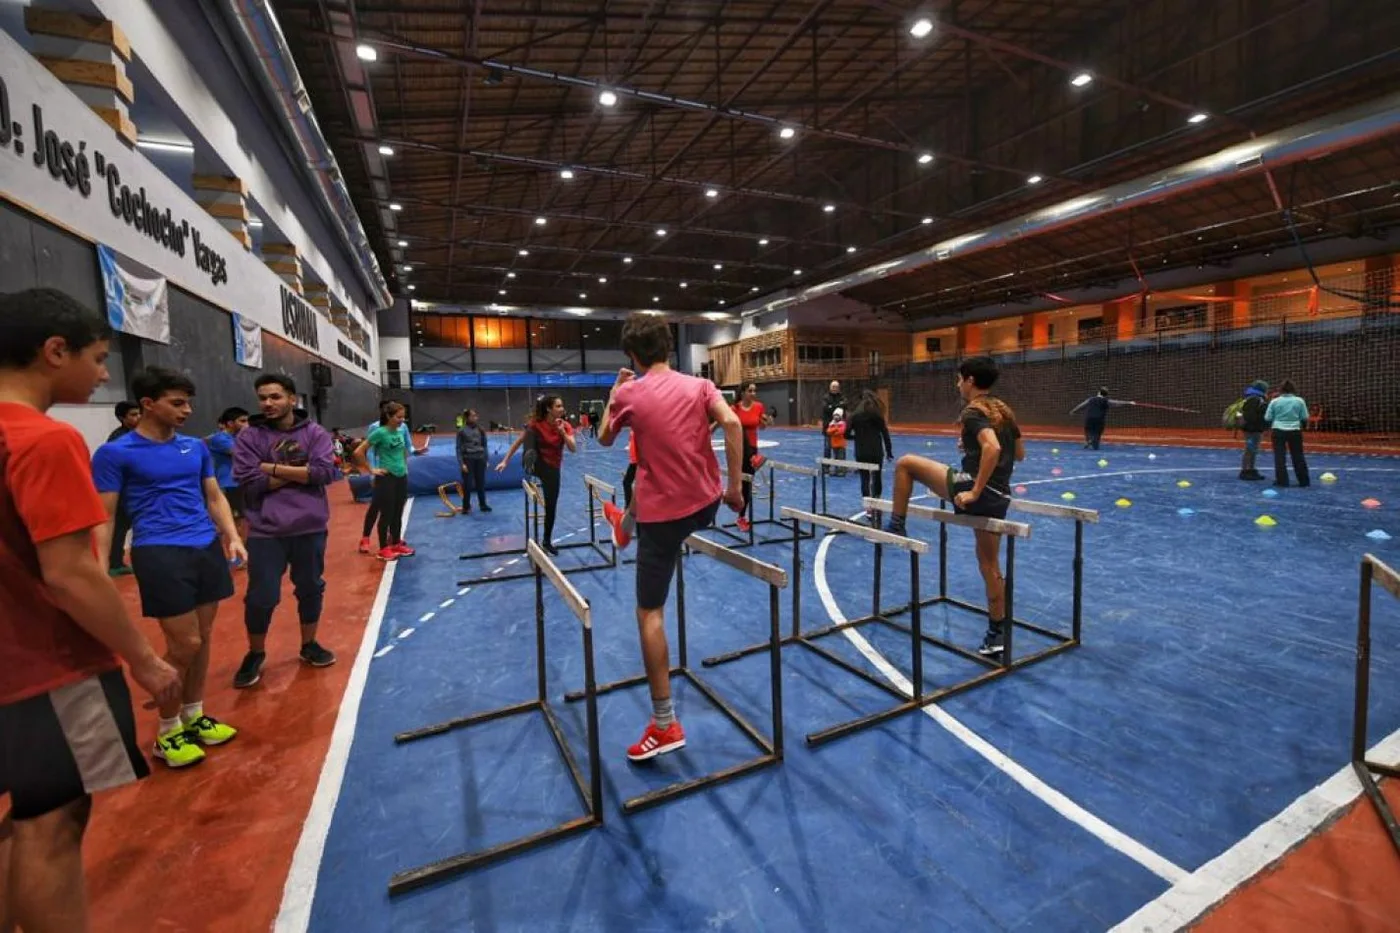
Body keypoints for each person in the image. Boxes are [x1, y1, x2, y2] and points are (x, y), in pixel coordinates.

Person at [0, 288, 180, 933]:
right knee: (52, 821)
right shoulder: (44, 441)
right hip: (45, 665)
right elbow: (73, 572)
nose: (106, 375)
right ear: (55, 352)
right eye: (99, 358)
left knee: (22, 819)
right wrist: (144, 659)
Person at [598, 313, 745, 762]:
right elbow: (734, 424)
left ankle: (664, 725)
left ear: (632, 356)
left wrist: (613, 393)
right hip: (705, 503)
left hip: (664, 521)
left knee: (649, 613)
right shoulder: (700, 386)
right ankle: (624, 527)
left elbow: (605, 438)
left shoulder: (628, 392)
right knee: (645, 479)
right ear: (669, 347)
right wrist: (735, 490)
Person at [91, 366, 244, 769]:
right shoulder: (115, 453)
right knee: (185, 644)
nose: (187, 410)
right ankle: (167, 730)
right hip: (159, 551)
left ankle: (193, 715)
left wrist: (232, 534)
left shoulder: (195, 448)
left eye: (188, 402)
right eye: (177, 403)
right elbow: (104, 516)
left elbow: (213, 497)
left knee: (205, 636)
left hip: (205, 547)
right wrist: (97, 567)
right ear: (147, 404)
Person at [885, 356, 1025, 658]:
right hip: (1000, 495)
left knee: (906, 463)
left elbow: (994, 447)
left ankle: (896, 525)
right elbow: (1019, 453)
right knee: (989, 565)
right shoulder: (1004, 410)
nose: (957, 384)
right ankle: (996, 633)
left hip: (975, 490)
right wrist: (973, 448)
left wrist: (974, 491)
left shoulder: (973, 411)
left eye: (959, 379)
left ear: (970, 380)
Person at [230, 374, 338, 689]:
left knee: (310, 587)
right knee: (261, 596)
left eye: (275, 397)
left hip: (309, 526)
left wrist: (271, 467)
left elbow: (324, 472)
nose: (268, 403)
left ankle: (308, 645)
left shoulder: (315, 433)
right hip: (266, 530)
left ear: (292, 399)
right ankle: (255, 652)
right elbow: (250, 481)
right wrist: (300, 473)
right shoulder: (249, 437)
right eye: (262, 397)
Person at [495, 395, 576, 555]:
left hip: (552, 468)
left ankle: (547, 541)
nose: (562, 409)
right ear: (549, 409)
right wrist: (505, 461)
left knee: (551, 507)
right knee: (531, 431)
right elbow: (518, 442)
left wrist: (563, 434)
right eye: (558, 406)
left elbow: (573, 448)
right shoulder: (536, 425)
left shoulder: (565, 425)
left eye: (562, 406)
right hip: (537, 463)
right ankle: (528, 460)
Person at [357, 401, 426, 554]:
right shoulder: (378, 430)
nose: (402, 420)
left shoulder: (401, 430)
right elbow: (363, 452)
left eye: (403, 417)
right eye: (398, 416)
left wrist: (410, 459)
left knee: (396, 511)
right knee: (382, 510)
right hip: (384, 476)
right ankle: (375, 543)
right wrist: (372, 470)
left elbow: (405, 448)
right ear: (387, 415)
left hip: (400, 475)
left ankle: (395, 542)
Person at [846, 390, 894, 525]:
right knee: (877, 477)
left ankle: (868, 508)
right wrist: (889, 451)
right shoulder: (877, 415)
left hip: (861, 451)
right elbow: (885, 433)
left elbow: (845, 434)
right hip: (876, 451)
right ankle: (876, 503)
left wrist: (857, 437)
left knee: (864, 478)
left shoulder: (854, 416)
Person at [206, 406, 250, 546]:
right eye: (242, 421)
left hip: (240, 483)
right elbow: (242, 455)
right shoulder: (220, 438)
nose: (246, 424)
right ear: (230, 423)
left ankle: (242, 549)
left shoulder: (236, 437)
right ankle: (238, 552)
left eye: (247, 421)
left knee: (243, 518)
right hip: (229, 484)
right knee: (234, 520)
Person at [105, 400, 140, 576]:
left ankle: (117, 561)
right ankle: (114, 563)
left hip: (133, 491)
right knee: (119, 528)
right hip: (122, 492)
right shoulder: (118, 439)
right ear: (122, 418)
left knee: (126, 527)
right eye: (133, 415)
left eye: (139, 413)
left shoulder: (138, 435)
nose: (138, 417)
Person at [731, 382, 771, 533]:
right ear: (743, 393)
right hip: (738, 449)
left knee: (747, 484)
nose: (754, 393)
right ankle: (739, 511)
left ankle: (741, 517)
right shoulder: (735, 408)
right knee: (742, 483)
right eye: (750, 390)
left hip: (753, 449)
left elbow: (762, 427)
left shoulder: (759, 407)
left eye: (755, 390)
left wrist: (766, 422)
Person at [1265, 379, 1310, 487]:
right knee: (1298, 455)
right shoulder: (1299, 401)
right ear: (1294, 389)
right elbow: (1305, 417)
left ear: (1280, 390)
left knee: (1279, 456)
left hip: (1278, 431)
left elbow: (1268, 417)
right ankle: (1304, 481)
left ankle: (1282, 481)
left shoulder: (1275, 401)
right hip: (1294, 430)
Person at [1070, 388, 1134, 450]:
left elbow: (1081, 406)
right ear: (1106, 395)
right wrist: (1128, 402)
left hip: (1089, 419)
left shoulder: (1090, 399)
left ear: (1099, 392)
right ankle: (1094, 444)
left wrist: (1073, 411)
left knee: (1088, 431)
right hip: (1099, 420)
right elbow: (1117, 403)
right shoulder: (1106, 401)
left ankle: (1088, 440)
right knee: (1097, 434)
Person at [455, 408, 492, 514]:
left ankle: (483, 505)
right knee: (467, 484)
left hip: (480, 459)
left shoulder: (481, 430)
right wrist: (462, 463)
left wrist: (486, 459)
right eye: (473, 416)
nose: (476, 417)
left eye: (476, 415)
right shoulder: (461, 431)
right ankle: (466, 506)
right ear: (467, 417)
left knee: (481, 483)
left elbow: (484, 446)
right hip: (468, 460)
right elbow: (458, 449)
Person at [1238, 380, 1269, 481]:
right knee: (1250, 449)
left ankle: (1251, 469)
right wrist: (1259, 424)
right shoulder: (1255, 399)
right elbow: (1250, 416)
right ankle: (1245, 470)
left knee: (1253, 450)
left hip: (1253, 429)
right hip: (1252, 430)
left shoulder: (1252, 398)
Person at [821, 380, 846, 471]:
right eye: (833, 387)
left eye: (836, 387)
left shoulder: (842, 397)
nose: (835, 389)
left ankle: (840, 468)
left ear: (839, 388)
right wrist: (837, 407)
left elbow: (844, 406)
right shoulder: (826, 397)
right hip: (829, 427)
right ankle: (826, 467)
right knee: (827, 448)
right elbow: (826, 408)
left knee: (840, 449)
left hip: (840, 428)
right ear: (830, 388)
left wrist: (832, 406)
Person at [826, 406, 849, 477]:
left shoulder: (843, 423)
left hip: (841, 444)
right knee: (835, 458)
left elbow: (841, 431)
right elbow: (828, 431)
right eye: (835, 415)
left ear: (841, 416)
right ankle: (836, 470)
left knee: (841, 458)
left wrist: (834, 430)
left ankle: (842, 471)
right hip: (834, 444)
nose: (836, 417)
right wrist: (835, 428)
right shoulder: (831, 424)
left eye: (837, 415)